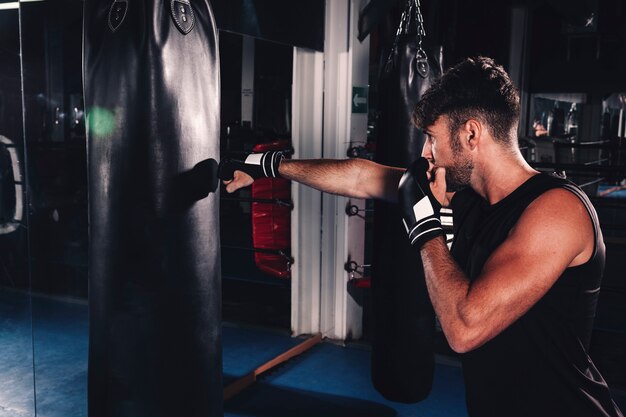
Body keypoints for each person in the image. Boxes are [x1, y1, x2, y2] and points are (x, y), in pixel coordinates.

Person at [219, 56, 624, 417]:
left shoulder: (556, 211)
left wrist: (425, 224)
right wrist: (266, 166)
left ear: (471, 134)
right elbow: (361, 175)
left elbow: (464, 328)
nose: (427, 153)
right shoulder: (468, 198)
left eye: (432, 137)